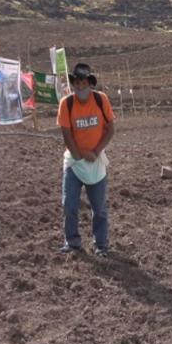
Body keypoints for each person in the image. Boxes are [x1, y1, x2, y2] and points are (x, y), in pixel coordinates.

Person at [57, 63, 116, 256]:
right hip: (74, 161)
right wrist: (81, 155)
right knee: (69, 204)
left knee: (99, 207)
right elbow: (67, 134)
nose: (80, 86)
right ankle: (72, 242)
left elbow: (110, 129)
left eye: (84, 82)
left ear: (90, 83)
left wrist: (96, 151)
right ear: (73, 84)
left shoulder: (101, 100)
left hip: (96, 160)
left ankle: (101, 245)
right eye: (77, 82)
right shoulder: (67, 104)